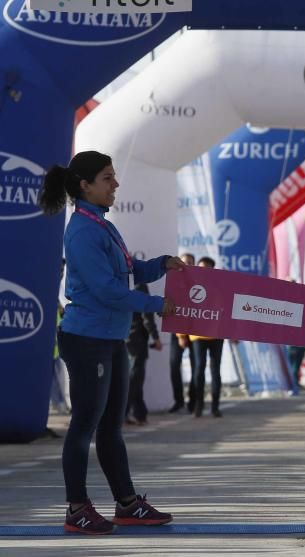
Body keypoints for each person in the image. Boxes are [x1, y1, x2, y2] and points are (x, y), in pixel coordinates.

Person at [38, 150, 184, 534]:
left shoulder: (102, 224)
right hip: (87, 340)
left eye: (114, 176)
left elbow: (129, 269)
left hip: (111, 338)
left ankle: (127, 504)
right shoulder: (83, 230)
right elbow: (105, 290)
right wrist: (158, 305)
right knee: (85, 425)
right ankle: (76, 509)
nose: (115, 184)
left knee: (110, 428)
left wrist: (162, 263)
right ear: (85, 186)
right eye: (107, 178)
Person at [190, 256, 225, 418]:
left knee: (215, 370)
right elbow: (184, 310)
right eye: (201, 267)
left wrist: (233, 332)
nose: (203, 271)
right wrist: (181, 335)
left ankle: (215, 406)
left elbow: (228, 311)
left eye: (207, 268)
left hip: (217, 334)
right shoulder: (191, 286)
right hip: (197, 336)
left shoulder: (220, 287)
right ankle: (198, 404)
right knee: (198, 370)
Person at [125, 281, 162, 426]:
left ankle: (139, 414)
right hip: (136, 339)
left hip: (123, 337)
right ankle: (123, 413)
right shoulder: (139, 286)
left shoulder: (119, 283)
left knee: (134, 378)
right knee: (135, 379)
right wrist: (156, 338)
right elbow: (147, 315)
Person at [168, 252, 196, 413]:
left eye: (190, 262)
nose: (187, 265)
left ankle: (193, 400)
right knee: (174, 365)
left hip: (195, 330)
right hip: (177, 331)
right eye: (185, 262)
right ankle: (178, 401)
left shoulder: (200, 282)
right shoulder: (174, 281)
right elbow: (173, 308)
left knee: (196, 366)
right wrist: (180, 335)